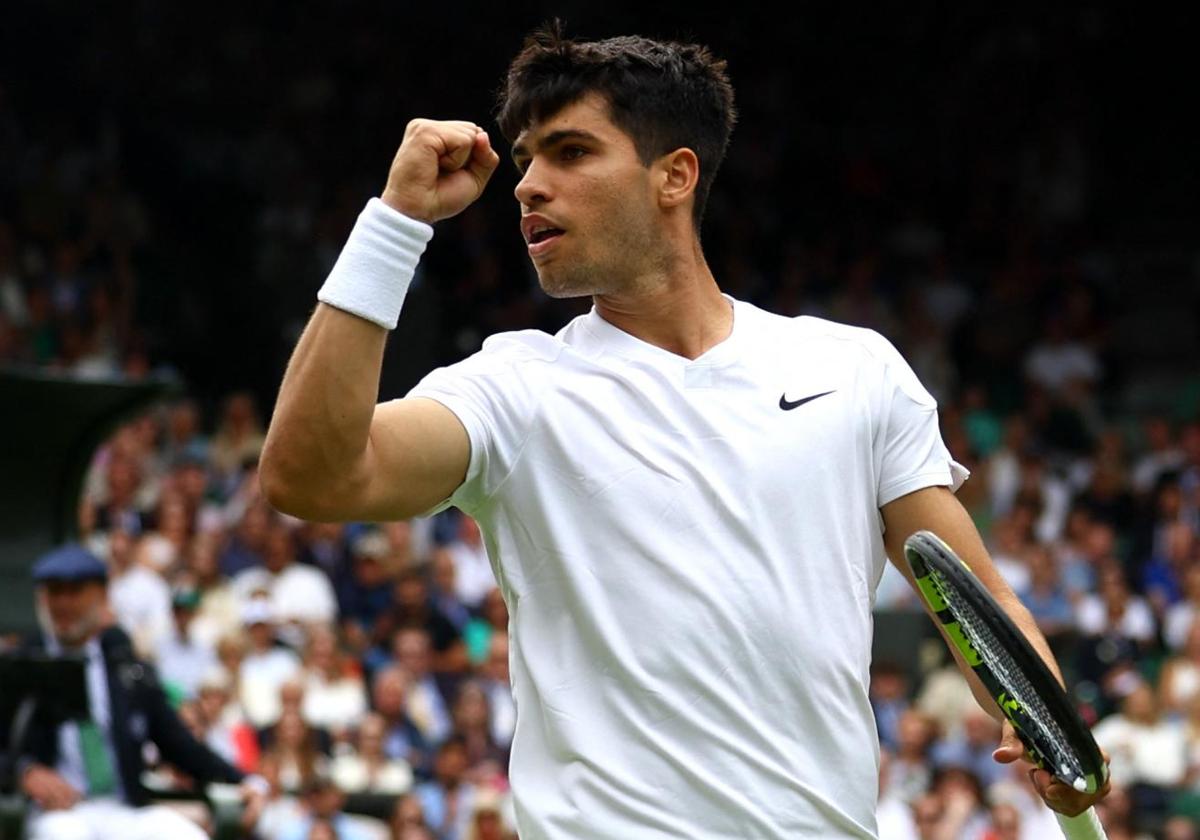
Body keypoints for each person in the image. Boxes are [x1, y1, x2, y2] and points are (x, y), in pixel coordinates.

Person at [260, 23, 1108, 838]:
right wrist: (394, 223)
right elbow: (311, 477)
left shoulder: (853, 370)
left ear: (675, 176)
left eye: (571, 151)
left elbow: (979, 602)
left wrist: (1043, 720)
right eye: (525, 161)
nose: (526, 186)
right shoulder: (514, 390)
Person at [10, 544, 266, 840]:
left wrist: (245, 781)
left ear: (101, 596)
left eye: (75, 591)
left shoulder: (123, 665)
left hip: (123, 810)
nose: (64, 603)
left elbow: (180, 745)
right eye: (55, 592)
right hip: (56, 812)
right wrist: (25, 771)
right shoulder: (22, 662)